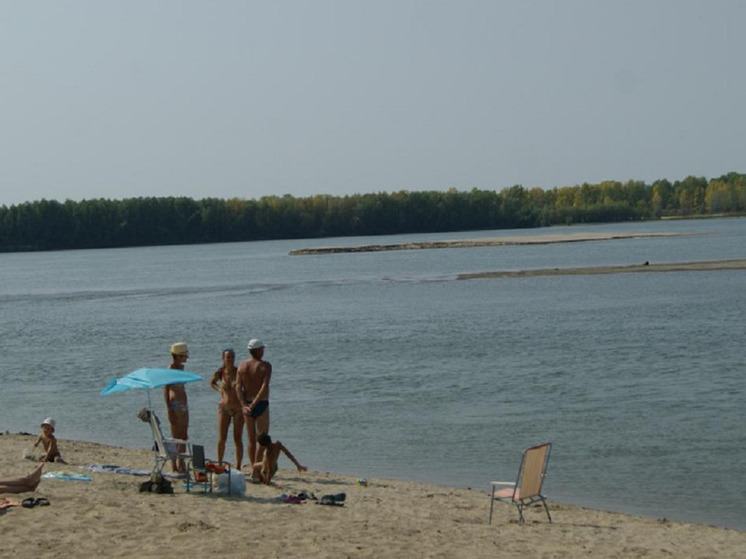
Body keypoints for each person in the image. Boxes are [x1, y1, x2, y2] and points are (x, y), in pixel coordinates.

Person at [236, 338, 272, 470]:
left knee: (251, 439)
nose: (263, 351)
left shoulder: (242, 366)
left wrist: (244, 405)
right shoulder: (265, 365)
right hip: (260, 403)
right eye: (262, 348)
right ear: (258, 350)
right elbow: (264, 387)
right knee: (262, 438)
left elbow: (238, 387)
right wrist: (253, 405)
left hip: (247, 404)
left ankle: (253, 467)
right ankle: (256, 468)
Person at [210, 347, 245, 469]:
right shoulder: (221, 372)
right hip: (224, 408)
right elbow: (212, 382)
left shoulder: (239, 372)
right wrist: (220, 390)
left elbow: (247, 386)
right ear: (223, 358)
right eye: (228, 357)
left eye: (232, 357)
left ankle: (239, 465)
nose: (230, 359)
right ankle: (219, 463)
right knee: (221, 438)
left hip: (238, 409)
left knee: (237, 438)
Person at [164, 341, 190, 474]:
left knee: (184, 436)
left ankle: (181, 462)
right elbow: (166, 389)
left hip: (183, 404)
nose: (187, 357)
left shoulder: (181, 368)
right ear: (178, 356)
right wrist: (169, 409)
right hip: (176, 404)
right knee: (176, 436)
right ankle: (175, 464)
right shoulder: (171, 369)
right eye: (185, 355)